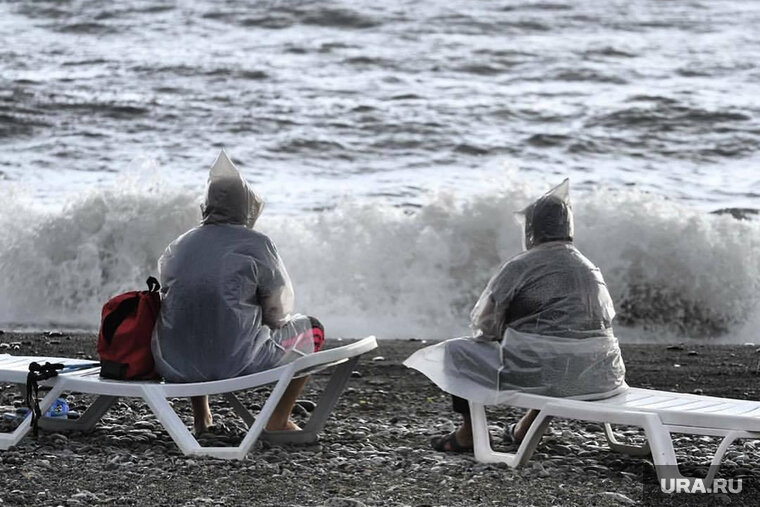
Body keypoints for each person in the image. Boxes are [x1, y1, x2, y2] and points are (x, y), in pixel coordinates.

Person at [404, 179, 626, 452]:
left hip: (551, 375)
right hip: (602, 375)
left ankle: (469, 433)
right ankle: (525, 428)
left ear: (532, 228)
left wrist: (505, 329)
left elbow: (485, 325)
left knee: (454, 352)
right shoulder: (588, 267)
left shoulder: (521, 266)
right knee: (553, 357)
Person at [151, 149, 325, 435]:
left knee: (199, 317)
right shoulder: (257, 245)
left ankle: (201, 417)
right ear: (246, 206)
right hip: (235, 362)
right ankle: (278, 419)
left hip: (174, 361)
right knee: (314, 330)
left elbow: (179, 302)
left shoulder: (178, 246)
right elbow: (278, 312)